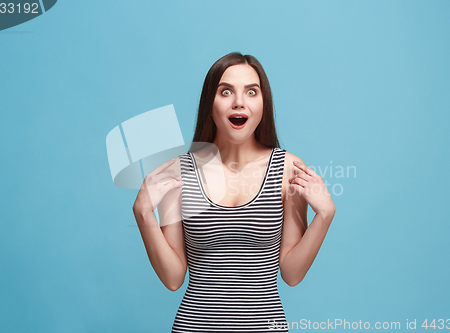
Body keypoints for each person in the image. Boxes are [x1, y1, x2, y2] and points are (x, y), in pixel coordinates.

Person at [132, 52, 336, 332]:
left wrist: (324, 216)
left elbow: (291, 273)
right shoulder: (180, 172)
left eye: (251, 92)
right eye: (225, 91)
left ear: (263, 104)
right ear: (210, 104)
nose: (239, 101)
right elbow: (173, 278)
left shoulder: (288, 168)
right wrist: (143, 214)